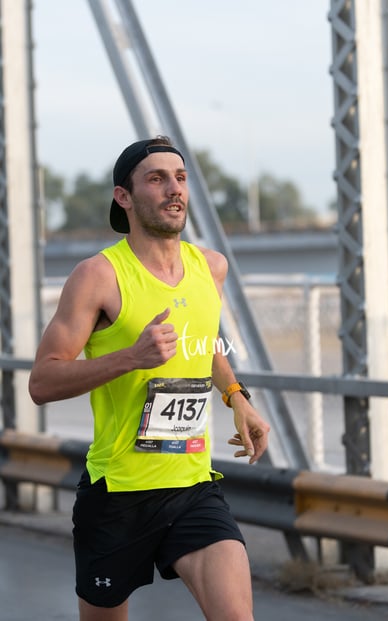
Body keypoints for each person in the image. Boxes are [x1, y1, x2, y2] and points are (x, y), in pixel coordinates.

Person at [29, 135, 270, 621]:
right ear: (124, 196)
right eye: (156, 179)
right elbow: (42, 382)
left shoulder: (211, 268)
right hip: (117, 494)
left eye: (179, 178)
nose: (173, 189)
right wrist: (130, 357)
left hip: (193, 485)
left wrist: (236, 396)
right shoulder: (98, 276)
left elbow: (203, 344)